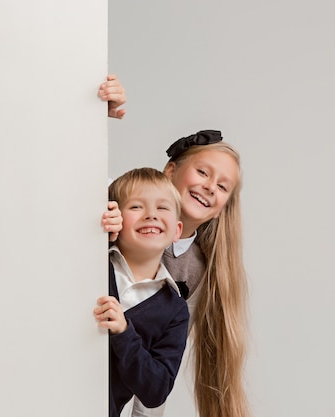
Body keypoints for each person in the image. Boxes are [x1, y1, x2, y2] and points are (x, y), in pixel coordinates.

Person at [99, 123, 250, 417]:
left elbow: (159, 367)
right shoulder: (118, 202)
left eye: (221, 187)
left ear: (222, 208)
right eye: (203, 173)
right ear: (170, 171)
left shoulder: (195, 274)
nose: (209, 186)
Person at [94, 168, 190, 417]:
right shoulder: (92, 263)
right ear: (116, 216)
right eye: (136, 207)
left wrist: (124, 333)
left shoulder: (174, 309)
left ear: (177, 230)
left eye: (163, 208)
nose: (151, 215)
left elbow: (156, 389)